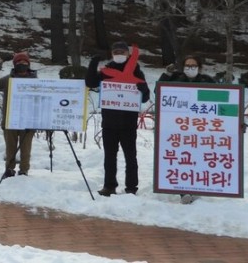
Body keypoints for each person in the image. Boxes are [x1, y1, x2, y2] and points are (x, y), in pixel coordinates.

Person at [86, 40, 151, 196]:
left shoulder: (136, 71)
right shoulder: (107, 70)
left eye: (122, 52)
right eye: (116, 52)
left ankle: (131, 187)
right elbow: (90, 82)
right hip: (109, 122)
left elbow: (145, 97)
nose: (119, 55)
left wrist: (142, 87)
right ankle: (109, 186)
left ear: (128, 54)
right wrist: (93, 63)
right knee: (110, 156)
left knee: (130, 157)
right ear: (112, 54)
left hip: (128, 123)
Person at [158, 54, 214, 204]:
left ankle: (197, 187)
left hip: (200, 126)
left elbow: (221, 98)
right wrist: (166, 74)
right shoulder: (175, 78)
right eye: (187, 66)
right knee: (182, 158)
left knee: (198, 157)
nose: (190, 68)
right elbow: (160, 92)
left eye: (193, 66)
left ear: (199, 67)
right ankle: (184, 191)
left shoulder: (207, 81)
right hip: (178, 127)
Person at [0, 51, 38, 177]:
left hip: (28, 120)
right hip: (11, 119)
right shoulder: (9, 80)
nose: (22, 64)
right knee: (10, 148)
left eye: (24, 62)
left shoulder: (36, 82)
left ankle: (24, 170)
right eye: (19, 62)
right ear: (14, 64)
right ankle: (9, 169)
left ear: (28, 64)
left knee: (26, 149)